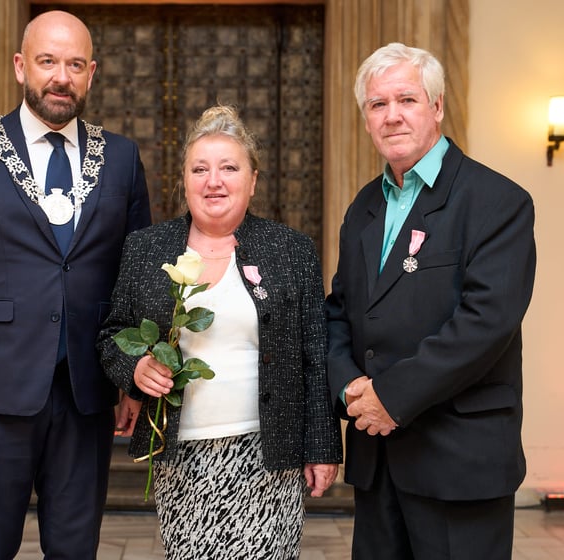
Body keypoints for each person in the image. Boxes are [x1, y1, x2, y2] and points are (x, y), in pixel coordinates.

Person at [0, 10, 151, 559]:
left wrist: (130, 378)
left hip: (87, 392)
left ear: (92, 72)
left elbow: (134, 276)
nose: (60, 77)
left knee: (75, 549)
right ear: (21, 67)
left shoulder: (120, 158)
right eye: (47, 62)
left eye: (74, 64)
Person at [98, 105, 342, 559]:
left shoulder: (291, 250)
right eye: (200, 169)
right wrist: (136, 368)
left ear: (252, 181)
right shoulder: (146, 248)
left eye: (229, 168)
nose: (214, 181)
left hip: (268, 456)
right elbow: (112, 334)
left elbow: (315, 354)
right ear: (184, 181)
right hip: (182, 455)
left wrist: (323, 446)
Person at [326, 42, 536, 560]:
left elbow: (485, 324)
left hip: (458, 461)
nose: (391, 115)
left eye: (407, 100)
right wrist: (350, 386)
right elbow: (339, 311)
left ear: (437, 106)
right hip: (379, 462)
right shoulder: (364, 207)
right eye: (378, 105)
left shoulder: (497, 202)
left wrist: (390, 397)